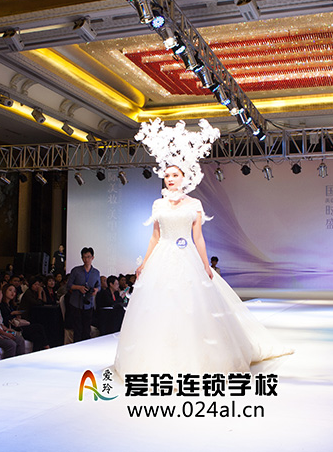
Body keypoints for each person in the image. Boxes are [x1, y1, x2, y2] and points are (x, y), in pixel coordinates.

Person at [114, 118, 291, 377]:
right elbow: (154, 237)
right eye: (167, 176)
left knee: (193, 308)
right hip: (162, 258)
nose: (170, 179)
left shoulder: (194, 204)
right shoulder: (158, 205)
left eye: (175, 175)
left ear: (184, 178)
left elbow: (198, 238)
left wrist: (205, 264)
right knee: (161, 309)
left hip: (187, 258)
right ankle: (159, 362)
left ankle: (196, 360)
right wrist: (144, 264)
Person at [66, 247, 100, 342]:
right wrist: (79, 287)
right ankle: (77, 346)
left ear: (92, 257)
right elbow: (68, 285)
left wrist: (96, 290)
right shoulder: (76, 270)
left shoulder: (96, 272)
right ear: (82, 258)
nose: (86, 259)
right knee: (77, 329)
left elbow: (99, 286)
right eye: (84, 257)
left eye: (88, 257)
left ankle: (86, 347)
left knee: (86, 329)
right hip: (76, 303)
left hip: (88, 303)